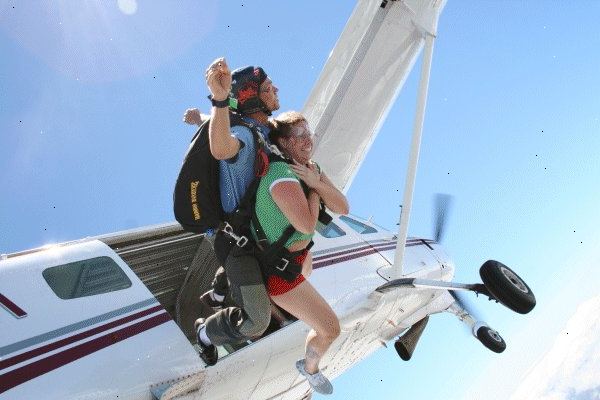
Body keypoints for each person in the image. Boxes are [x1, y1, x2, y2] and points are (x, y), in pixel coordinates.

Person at [253, 111, 348, 395]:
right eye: (299, 136)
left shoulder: (311, 168)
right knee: (330, 329)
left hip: (298, 261)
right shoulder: (280, 172)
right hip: (281, 274)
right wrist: (315, 188)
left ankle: (287, 312)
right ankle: (309, 369)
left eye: (309, 133)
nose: (308, 140)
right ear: (283, 142)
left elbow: (343, 207)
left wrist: (315, 180)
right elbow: (306, 224)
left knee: (309, 268)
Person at [194, 57, 280, 366]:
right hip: (236, 244)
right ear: (254, 97)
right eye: (269, 88)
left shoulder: (267, 134)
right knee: (257, 322)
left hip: (251, 237)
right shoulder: (246, 135)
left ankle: (218, 291)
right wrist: (219, 100)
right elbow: (222, 148)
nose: (277, 90)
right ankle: (205, 333)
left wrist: (202, 117)